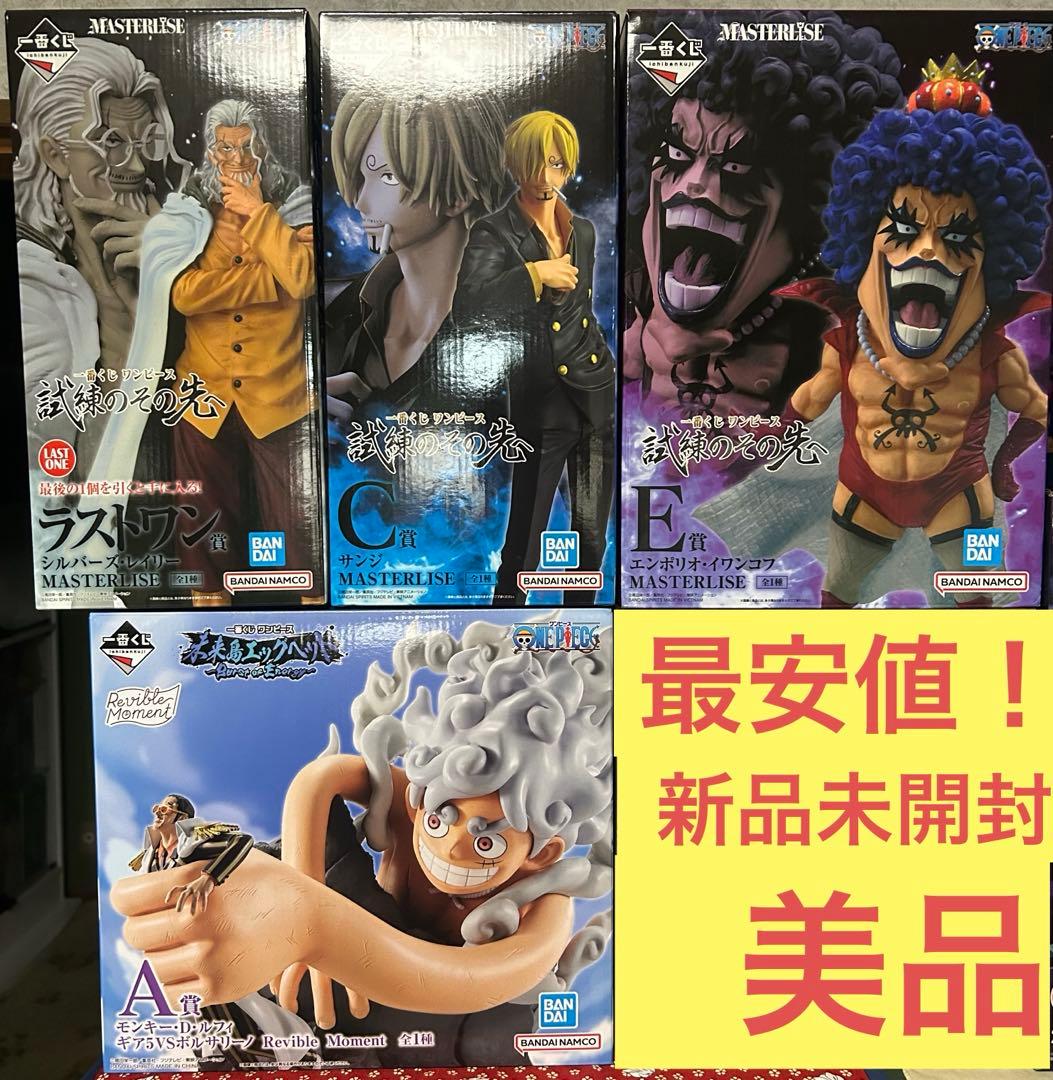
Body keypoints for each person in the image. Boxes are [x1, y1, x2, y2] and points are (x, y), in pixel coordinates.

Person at [112, 621, 613, 1065]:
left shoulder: (546, 902)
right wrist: (303, 891)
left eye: (488, 842)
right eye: (439, 820)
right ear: (417, 802)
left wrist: (313, 926)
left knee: (467, 1040)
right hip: (366, 940)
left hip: (449, 1009)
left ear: (542, 853)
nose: (453, 848)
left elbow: (477, 979)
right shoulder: (420, 797)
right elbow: (323, 778)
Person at [781, 55, 1049, 607]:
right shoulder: (846, 344)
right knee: (836, 602)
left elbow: (1038, 410)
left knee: (980, 607)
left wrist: (1003, 465)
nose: (927, 250)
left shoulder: (995, 355)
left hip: (958, 497)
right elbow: (806, 402)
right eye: (904, 228)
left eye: (957, 238)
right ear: (864, 242)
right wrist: (765, 443)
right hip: (864, 496)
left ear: (992, 262)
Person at [623, 11, 903, 419]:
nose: (694, 184)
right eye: (679, 153)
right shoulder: (627, 295)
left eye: (737, 165)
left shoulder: (829, 332)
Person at [454, 111, 615, 605]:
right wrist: (534, 275)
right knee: (525, 540)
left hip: (595, 391)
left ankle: (583, 629)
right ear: (516, 164)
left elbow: (581, 309)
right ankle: (505, 623)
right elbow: (468, 306)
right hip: (541, 401)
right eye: (537, 163)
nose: (548, 176)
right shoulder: (493, 231)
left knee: (591, 538)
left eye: (558, 164)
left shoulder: (582, 231)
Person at [167, 99, 322, 606]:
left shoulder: (295, 203)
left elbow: (302, 278)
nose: (236, 159)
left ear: (264, 149)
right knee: (203, 531)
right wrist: (267, 280)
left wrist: (259, 213)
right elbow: (182, 294)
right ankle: (207, 619)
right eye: (224, 147)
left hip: (280, 392)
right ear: (210, 153)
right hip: (202, 392)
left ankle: (316, 624)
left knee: (300, 529)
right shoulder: (189, 210)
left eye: (247, 146)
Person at [13, 36, 188, 470]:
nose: (136, 166)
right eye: (110, 142)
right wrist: (125, 328)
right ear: (55, 156)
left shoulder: (178, 235)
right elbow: (54, 484)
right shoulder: (33, 288)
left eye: (144, 142)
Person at [325, 89, 507, 417]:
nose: (361, 202)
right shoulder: (336, 311)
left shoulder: (514, 322)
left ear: (458, 195)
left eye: (387, 176)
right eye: (363, 177)